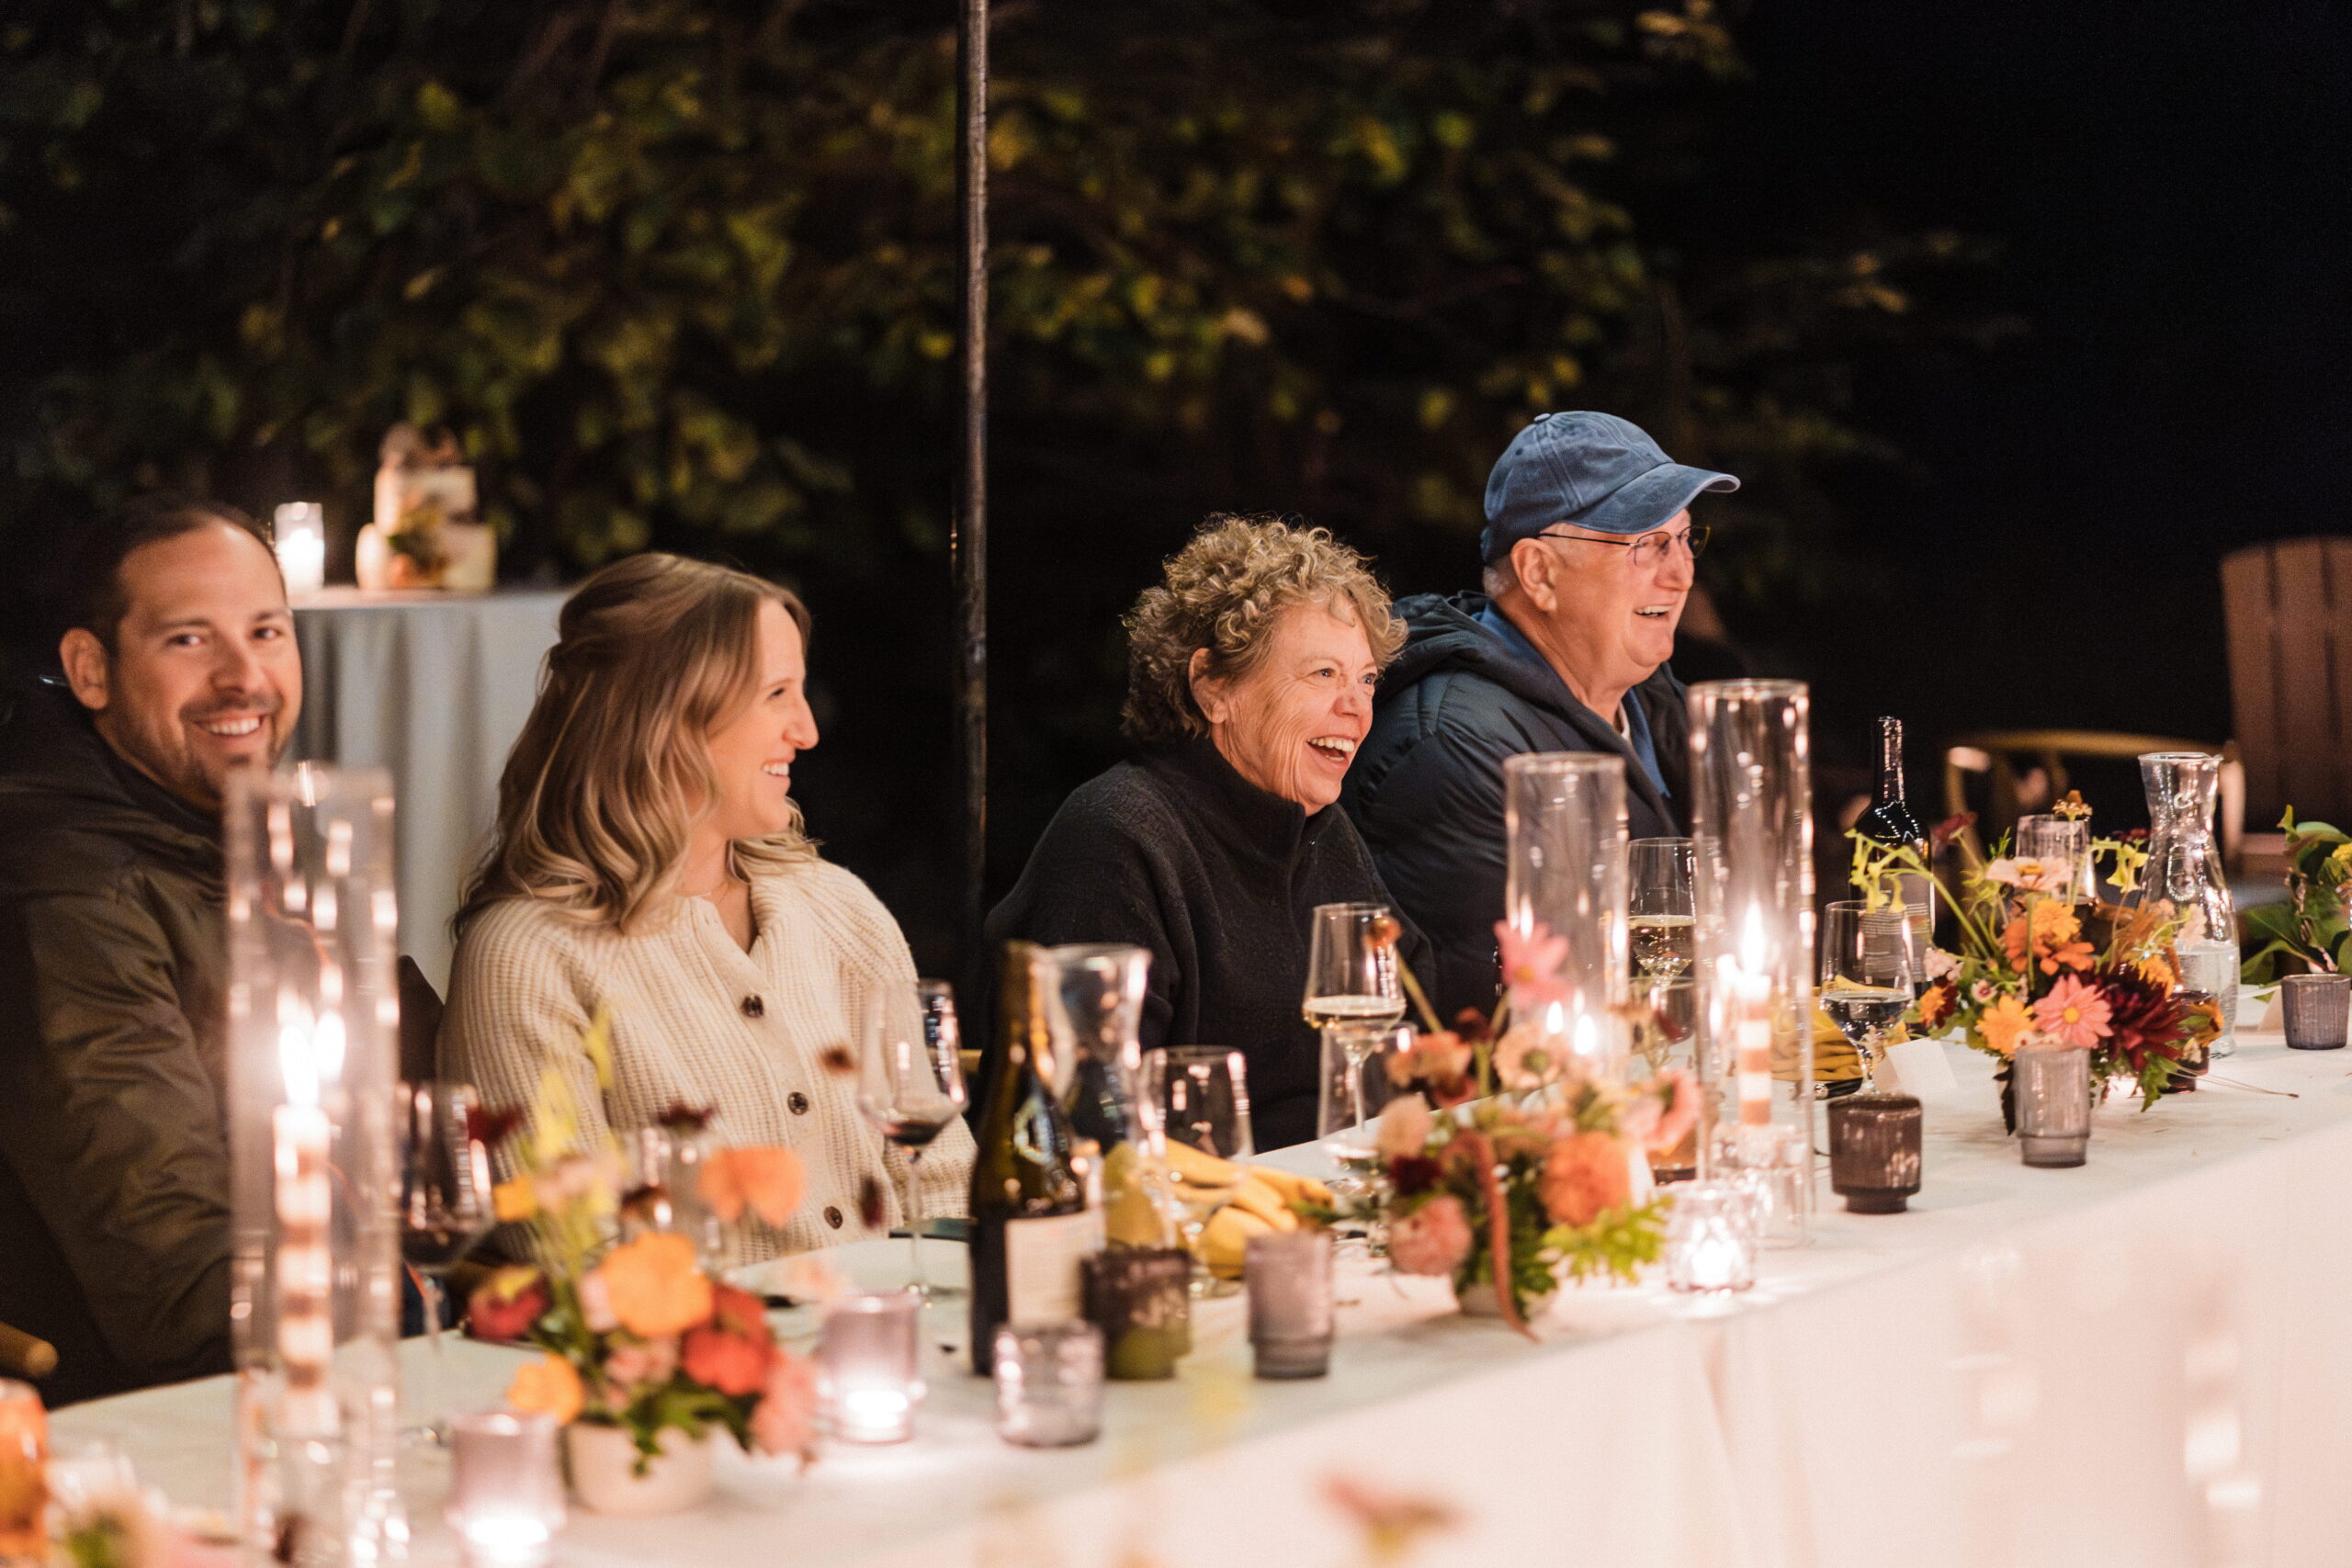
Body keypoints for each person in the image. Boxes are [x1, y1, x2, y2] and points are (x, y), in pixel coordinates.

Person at [443, 553, 972, 1260]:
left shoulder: (838, 908)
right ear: (666, 718)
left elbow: (946, 1186)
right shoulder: (528, 957)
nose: (807, 729)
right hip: (703, 1366)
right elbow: (578, 1261)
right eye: (776, 693)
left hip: (895, 1352)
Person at [986, 516, 1430, 1151]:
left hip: (1336, 1196)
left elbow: (1416, 1036)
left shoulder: (1322, 833)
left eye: (1365, 679)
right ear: (1214, 687)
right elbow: (1093, 1124)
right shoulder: (1118, 840)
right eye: (1324, 674)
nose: (1358, 709)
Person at [0, 497, 302, 1405]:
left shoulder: (223, 831)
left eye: (266, 631)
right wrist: (408, 1318)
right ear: (90, 670)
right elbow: (172, 1277)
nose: (243, 676)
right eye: (188, 642)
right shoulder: (66, 891)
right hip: (126, 1444)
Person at [1342, 412, 1739, 1020]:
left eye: (1685, 538)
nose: (1682, 573)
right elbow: (1506, 1032)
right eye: (1647, 543)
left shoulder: (1654, 701)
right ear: (1539, 573)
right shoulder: (1452, 748)